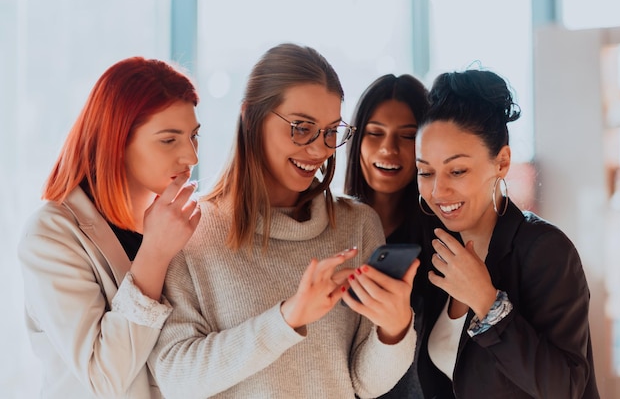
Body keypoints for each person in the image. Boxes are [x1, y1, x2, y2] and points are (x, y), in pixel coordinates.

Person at [149, 43, 419, 399]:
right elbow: (176, 378)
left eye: (331, 131)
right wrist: (288, 317)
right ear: (251, 117)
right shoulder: (191, 229)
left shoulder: (358, 225)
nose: (320, 149)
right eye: (302, 128)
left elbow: (364, 384)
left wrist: (395, 329)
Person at [19, 57, 202, 398]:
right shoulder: (50, 237)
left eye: (194, 136)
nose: (191, 157)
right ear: (116, 141)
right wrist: (155, 254)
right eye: (169, 140)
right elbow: (105, 377)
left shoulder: (183, 221)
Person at [414, 69, 600, 398]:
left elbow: (567, 388)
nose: (438, 190)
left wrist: (488, 303)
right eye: (426, 172)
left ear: (501, 162)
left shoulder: (544, 250)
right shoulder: (435, 252)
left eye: (457, 171)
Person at [344, 73, 431, 398]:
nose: (388, 149)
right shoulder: (329, 230)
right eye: (374, 133)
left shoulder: (440, 244)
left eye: (407, 136)